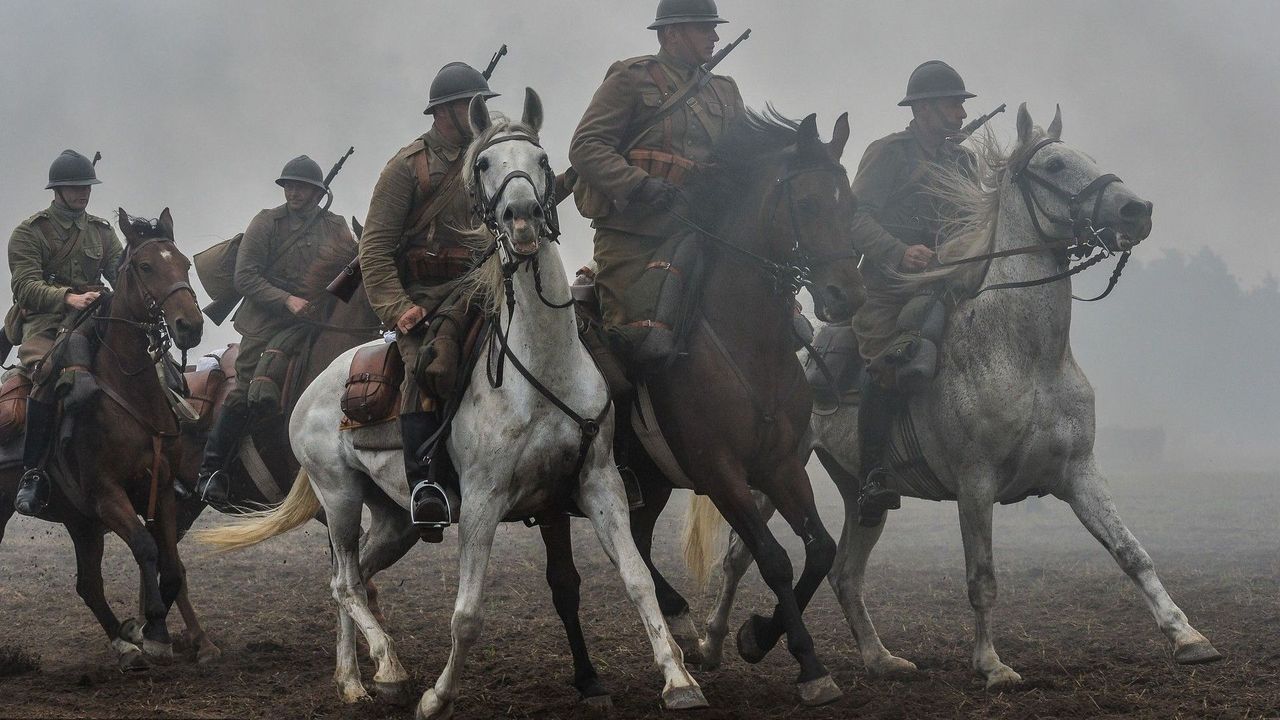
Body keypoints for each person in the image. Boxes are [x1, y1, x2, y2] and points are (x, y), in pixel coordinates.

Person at [358, 61, 497, 540]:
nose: (482, 113)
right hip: (425, 296)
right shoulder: (407, 168)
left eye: (484, 104)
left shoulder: (490, 154)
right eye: (472, 105)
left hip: (486, 284)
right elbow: (374, 249)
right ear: (444, 112)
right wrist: (399, 309)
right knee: (429, 365)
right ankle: (425, 486)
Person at [848, 60, 979, 525]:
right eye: (952, 104)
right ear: (923, 108)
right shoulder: (888, 154)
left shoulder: (963, 161)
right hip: (887, 291)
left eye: (962, 105)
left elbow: (974, 221)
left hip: (945, 286)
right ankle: (872, 477)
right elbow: (855, 217)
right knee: (888, 364)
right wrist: (899, 251)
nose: (961, 114)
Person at [568, 0, 743, 336]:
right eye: (704, 28)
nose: (715, 36)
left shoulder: (725, 92)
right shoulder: (630, 78)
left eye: (714, 28)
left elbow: (741, 162)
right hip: (635, 235)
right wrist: (639, 184)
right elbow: (586, 146)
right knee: (634, 336)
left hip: (703, 229)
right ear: (672, 33)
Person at [194, 156, 353, 506]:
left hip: (315, 321)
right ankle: (211, 471)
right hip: (265, 322)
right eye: (289, 186)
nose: (294, 192)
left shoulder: (336, 225)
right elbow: (245, 276)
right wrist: (286, 300)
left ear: (317, 191)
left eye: (302, 187)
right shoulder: (267, 222)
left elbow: (349, 275)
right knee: (244, 387)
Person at [9, 150, 123, 516]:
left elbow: (121, 275)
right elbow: (25, 287)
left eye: (87, 186)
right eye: (75, 186)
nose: (83, 193)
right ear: (57, 190)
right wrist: (68, 298)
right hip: (45, 327)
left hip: (95, 324)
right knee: (45, 376)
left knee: (150, 368)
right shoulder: (31, 232)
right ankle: (33, 473)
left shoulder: (102, 232)